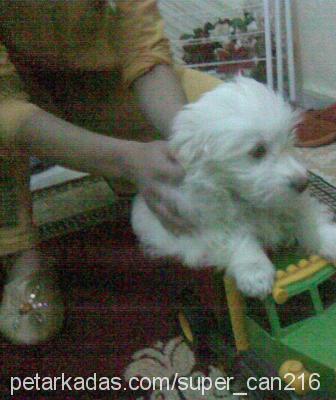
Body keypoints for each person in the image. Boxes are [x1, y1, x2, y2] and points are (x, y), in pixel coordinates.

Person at [0, 1, 193, 344]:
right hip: (10, 103)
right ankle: (20, 252)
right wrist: (127, 160)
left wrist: (190, 139)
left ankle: (132, 170)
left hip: (97, 83)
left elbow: (145, 49)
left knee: (225, 114)